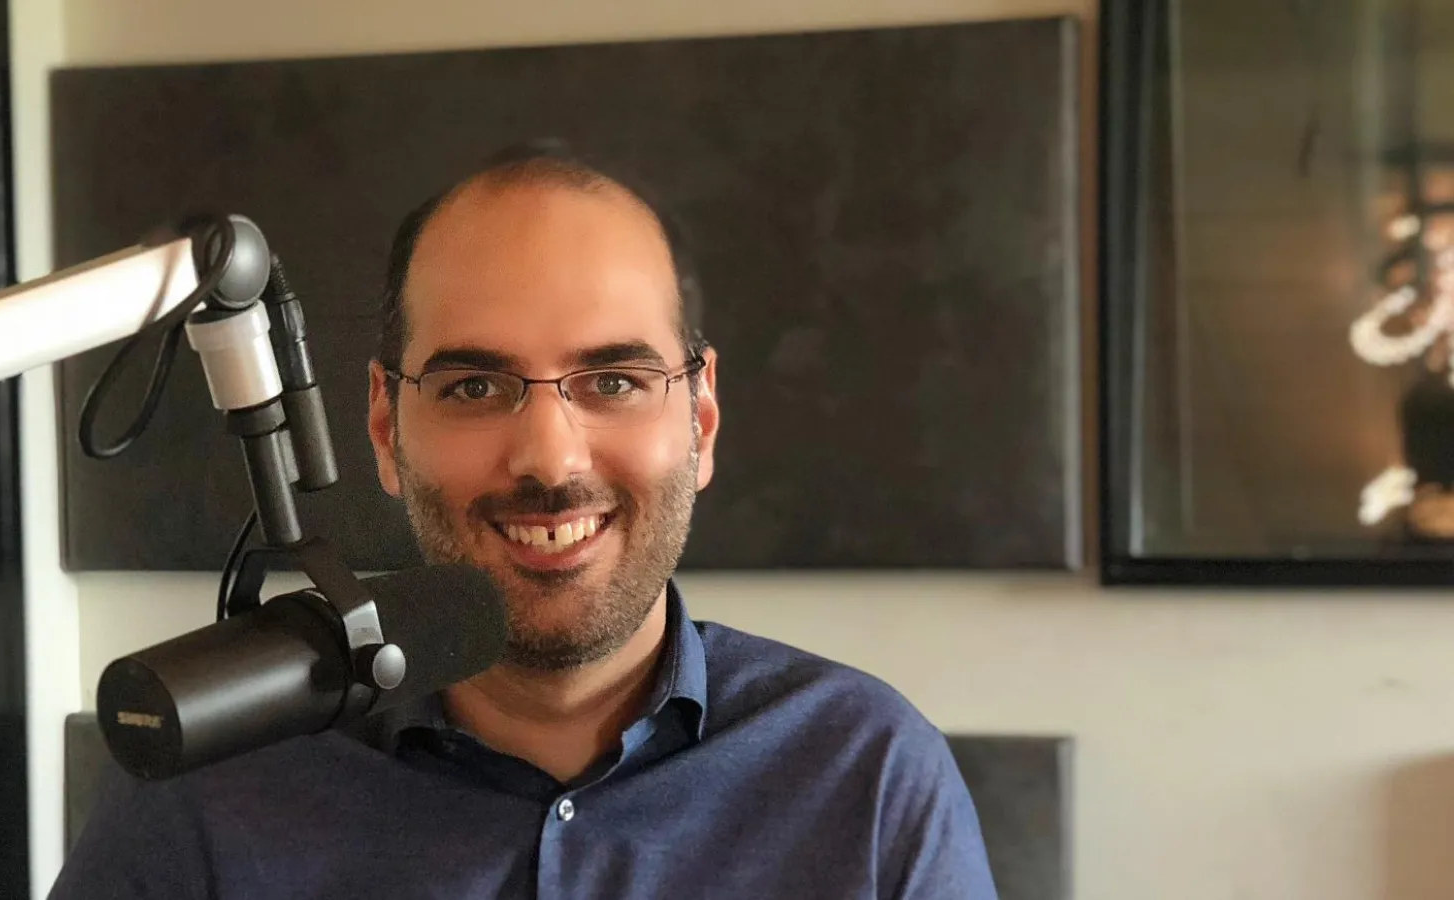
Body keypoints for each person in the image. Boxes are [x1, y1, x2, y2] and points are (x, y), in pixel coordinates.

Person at [51, 140, 998, 899]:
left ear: (700, 422)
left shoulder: (865, 780)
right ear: (385, 429)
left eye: (615, 381)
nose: (550, 458)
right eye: (473, 385)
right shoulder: (213, 796)